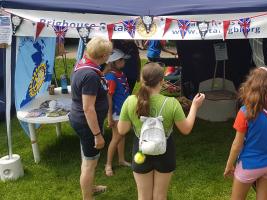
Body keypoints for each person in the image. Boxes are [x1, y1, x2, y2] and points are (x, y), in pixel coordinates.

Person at [117, 62, 205, 200]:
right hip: (165, 151)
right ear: (162, 81)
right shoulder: (172, 103)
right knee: (160, 196)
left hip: (140, 151)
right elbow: (186, 129)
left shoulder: (130, 101)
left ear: (141, 79)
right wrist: (194, 106)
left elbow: (122, 130)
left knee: (143, 196)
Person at [224, 67, 267, 200]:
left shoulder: (245, 112)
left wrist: (229, 164)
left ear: (251, 84)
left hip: (249, 165)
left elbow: (237, 144)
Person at [69, 37, 112, 200]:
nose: (109, 56)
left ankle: (90, 187)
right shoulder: (90, 75)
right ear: (102, 56)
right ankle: (88, 197)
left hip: (81, 120)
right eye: (108, 53)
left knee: (87, 158)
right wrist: (97, 134)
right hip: (87, 124)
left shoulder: (84, 63)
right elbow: (88, 108)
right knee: (89, 164)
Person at [104, 49, 131, 176]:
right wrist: (109, 117)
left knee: (122, 135)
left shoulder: (121, 74)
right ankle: (108, 165)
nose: (124, 61)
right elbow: (109, 97)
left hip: (124, 111)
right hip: (116, 113)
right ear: (114, 62)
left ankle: (121, 159)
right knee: (116, 138)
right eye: (121, 59)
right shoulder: (111, 77)